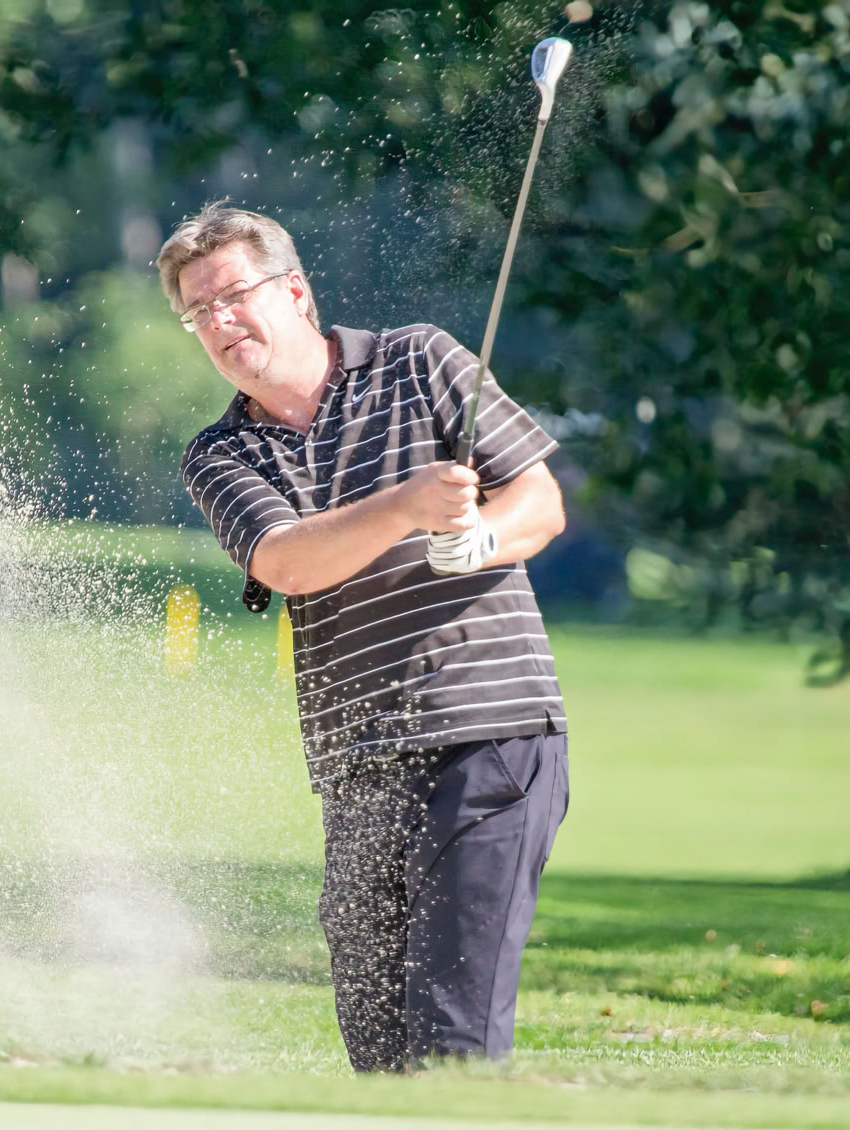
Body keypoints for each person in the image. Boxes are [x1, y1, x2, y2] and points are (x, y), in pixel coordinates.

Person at [156, 202, 570, 1070]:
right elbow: (288, 562)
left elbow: (539, 501)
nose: (221, 323)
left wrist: (480, 538)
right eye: (199, 312)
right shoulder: (221, 454)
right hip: (358, 765)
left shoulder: (420, 358)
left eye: (234, 295)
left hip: (485, 738)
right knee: (378, 1047)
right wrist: (410, 506)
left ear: (296, 291)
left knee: (452, 1038)